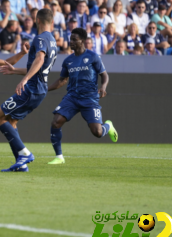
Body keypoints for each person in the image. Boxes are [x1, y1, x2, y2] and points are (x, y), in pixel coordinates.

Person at [0, 9, 57, 172]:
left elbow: (40, 60)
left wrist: (25, 79)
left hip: (32, 89)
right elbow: (38, 67)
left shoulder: (41, 38)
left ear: (37, 21)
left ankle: (25, 154)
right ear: (52, 22)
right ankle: (20, 164)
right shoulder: (53, 40)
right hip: (39, 89)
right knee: (11, 121)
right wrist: (15, 71)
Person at [45, 27, 118, 165]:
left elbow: (104, 75)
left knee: (97, 132)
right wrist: (46, 89)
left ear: (82, 41)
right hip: (72, 97)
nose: (71, 42)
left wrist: (103, 86)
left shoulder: (93, 56)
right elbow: (62, 80)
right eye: (70, 39)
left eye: (74, 39)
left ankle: (107, 126)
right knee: (56, 122)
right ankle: (59, 157)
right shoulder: (68, 61)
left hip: (89, 97)